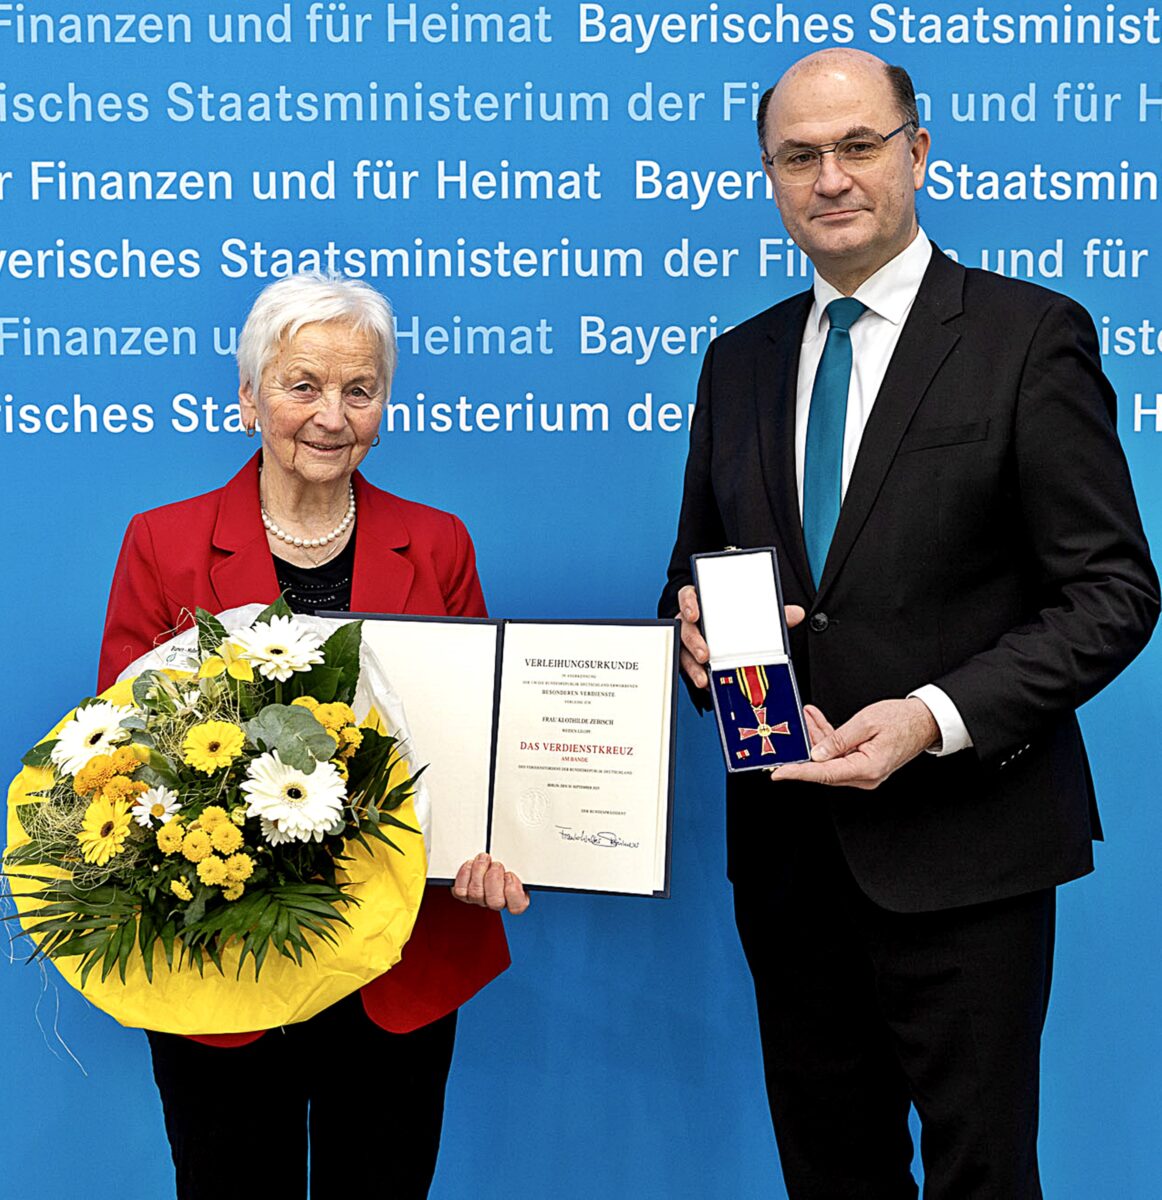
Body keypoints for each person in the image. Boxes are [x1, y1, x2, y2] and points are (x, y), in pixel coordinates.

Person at [660, 49, 1158, 1199]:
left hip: (965, 846)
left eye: (857, 145)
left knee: (982, 1175)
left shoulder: (1028, 337)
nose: (829, 178)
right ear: (769, 178)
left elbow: (1111, 593)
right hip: (787, 856)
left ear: (917, 153)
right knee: (830, 1172)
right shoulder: (737, 362)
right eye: (798, 156)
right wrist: (688, 637)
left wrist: (931, 719)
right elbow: (693, 571)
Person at [98, 272, 527, 1200]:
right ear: (249, 395)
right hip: (220, 963)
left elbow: (472, 751)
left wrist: (490, 847)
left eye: (359, 389)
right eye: (302, 386)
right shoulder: (163, 546)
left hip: (398, 965)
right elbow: (117, 761)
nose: (332, 415)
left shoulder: (439, 543)